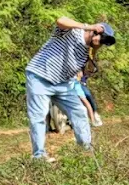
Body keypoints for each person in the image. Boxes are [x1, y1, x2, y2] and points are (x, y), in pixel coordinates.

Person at [25, 17, 115, 161]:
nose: (101, 42)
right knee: (39, 116)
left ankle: (86, 151)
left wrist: (93, 52)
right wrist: (88, 26)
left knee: (80, 112)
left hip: (63, 83)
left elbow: (86, 71)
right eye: (102, 38)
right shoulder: (72, 32)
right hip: (40, 76)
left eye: (104, 41)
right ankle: (39, 156)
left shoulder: (88, 51)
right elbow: (60, 20)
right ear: (95, 31)